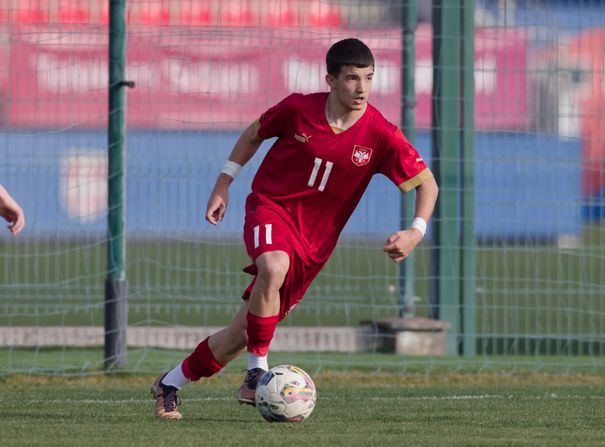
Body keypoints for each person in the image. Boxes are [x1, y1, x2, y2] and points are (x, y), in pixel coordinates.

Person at [151, 38, 439, 420]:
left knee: (240, 333)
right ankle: (256, 374)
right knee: (273, 265)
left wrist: (415, 231)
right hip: (270, 209)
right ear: (331, 80)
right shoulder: (298, 108)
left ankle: (168, 385)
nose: (362, 88)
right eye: (352, 78)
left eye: (368, 78)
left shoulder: (380, 134)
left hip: (313, 248)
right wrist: (224, 183)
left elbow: (428, 184)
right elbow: (254, 134)